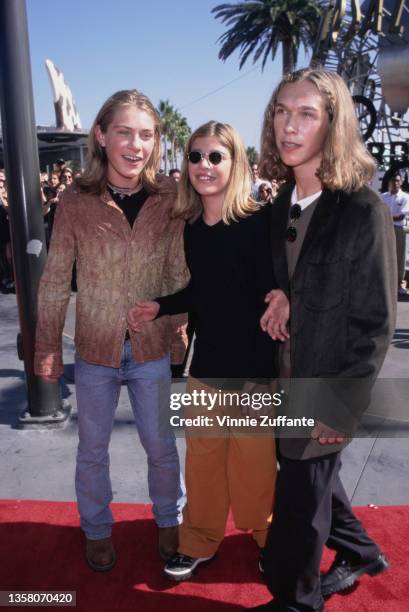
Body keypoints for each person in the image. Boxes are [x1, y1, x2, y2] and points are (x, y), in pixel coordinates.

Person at [247, 68, 397, 611]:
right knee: (308, 481)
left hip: (328, 386)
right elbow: (297, 274)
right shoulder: (281, 203)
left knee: (299, 504)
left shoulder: (362, 210)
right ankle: (359, 551)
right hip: (285, 376)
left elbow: (376, 324)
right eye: (282, 112)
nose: (289, 126)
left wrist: (341, 409)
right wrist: (285, 296)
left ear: (334, 125)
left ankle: (297, 601)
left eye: (306, 113)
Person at [34, 89, 189, 572]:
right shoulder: (75, 201)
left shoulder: (169, 198)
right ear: (102, 135)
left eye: (146, 134)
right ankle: (97, 529)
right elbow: (56, 279)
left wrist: (179, 330)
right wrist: (47, 347)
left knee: (162, 447)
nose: (135, 144)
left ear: (157, 141)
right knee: (92, 448)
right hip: (97, 350)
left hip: (151, 348)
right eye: (124, 132)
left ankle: (169, 521)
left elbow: (177, 272)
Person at [128, 121, 287, 581]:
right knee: (203, 467)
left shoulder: (262, 221)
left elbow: (285, 281)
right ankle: (199, 540)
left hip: (256, 370)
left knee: (256, 469)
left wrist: (284, 295)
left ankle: (267, 540)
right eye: (195, 156)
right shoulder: (191, 228)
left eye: (216, 156)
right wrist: (161, 305)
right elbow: (201, 292)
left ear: (235, 162)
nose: (204, 165)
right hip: (207, 367)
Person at [382, 173, 409, 295]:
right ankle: (386, 284)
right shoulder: (383, 197)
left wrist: (384, 217)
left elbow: (401, 216)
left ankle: (398, 285)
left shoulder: (405, 197)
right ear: (390, 182)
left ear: (401, 182)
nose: (395, 183)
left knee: (399, 257)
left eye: (398, 181)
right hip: (384, 229)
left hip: (398, 230)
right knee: (385, 256)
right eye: (393, 180)